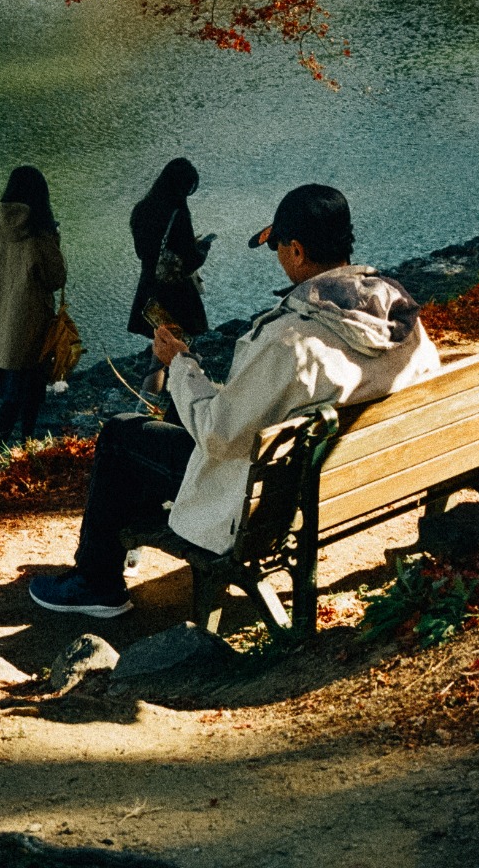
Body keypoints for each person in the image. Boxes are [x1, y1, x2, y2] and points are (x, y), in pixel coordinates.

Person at [28, 182, 440, 618]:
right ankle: (123, 538)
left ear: (297, 251)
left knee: (121, 435)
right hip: (361, 476)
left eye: (278, 246)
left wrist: (180, 365)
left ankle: (97, 582)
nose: (279, 256)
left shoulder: (290, 340)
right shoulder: (397, 313)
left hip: (265, 507)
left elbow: (218, 437)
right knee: (179, 413)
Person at [0, 164, 68, 446]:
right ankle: (8, 448)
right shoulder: (38, 234)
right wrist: (55, 239)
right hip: (30, 324)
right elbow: (56, 278)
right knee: (25, 393)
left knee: (12, 394)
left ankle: (4, 450)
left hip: (0, 325)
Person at [126, 157, 211, 343]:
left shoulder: (141, 209)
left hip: (148, 288)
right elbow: (190, 261)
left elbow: (142, 252)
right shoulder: (178, 214)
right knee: (182, 344)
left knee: (159, 342)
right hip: (176, 294)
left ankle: (156, 368)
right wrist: (203, 248)